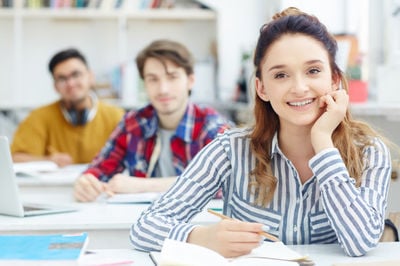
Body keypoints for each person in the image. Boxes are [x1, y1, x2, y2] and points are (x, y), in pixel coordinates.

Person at [130, 7, 392, 258]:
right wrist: (202, 237)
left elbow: (361, 242)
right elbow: (145, 227)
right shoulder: (230, 149)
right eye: (280, 75)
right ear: (262, 88)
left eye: (313, 71)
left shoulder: (369, 152)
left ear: (334, 79)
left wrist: (323, 141)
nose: (299, 88)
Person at [73, 39, 232, 202]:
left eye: (172, 77)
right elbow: (98, 170)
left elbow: (227, 185)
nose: (163, 89)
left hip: (201, 223)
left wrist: (143, 185)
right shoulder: (133, 123)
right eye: (153, 79)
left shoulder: (213, 125)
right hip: (144, 223)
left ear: (190, 80)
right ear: (145, 84)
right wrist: (85, 183)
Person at [11, 48, 124, 167]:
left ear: (91, 77)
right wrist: (48, 160)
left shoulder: (117, 117)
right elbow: (15, 158)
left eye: (76, 75)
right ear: (55, 86)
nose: (70, 83)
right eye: (62, 79)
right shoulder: (38, 117)